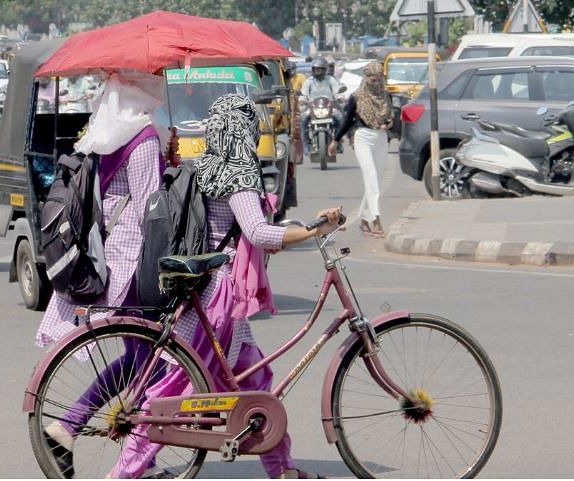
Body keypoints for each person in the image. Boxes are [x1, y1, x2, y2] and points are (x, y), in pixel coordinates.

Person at [109, 93, 342, 479]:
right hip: (219, 300)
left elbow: (248, 227)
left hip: (214, 296)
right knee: (174, 393)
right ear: (244, 130)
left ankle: (283, 470)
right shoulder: (239, 173)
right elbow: (258, 231)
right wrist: (314, 232)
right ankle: (123, 474)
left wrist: (305, 227)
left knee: (258, 385)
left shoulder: (209, 166)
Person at [37, 71, 171, 478]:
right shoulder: (144, 136)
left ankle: (76, 428)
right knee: (154, 366)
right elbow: (152, 207)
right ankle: (106, 443)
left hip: (106, 255)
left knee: (139, 361)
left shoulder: (104, 132)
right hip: (133, 260)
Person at [328, 62, 393, 237]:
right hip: (362, 137)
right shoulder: (356, 97)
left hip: (380, 137)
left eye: (379, 79)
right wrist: (335, 140)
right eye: (373, 79)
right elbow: (347, 120)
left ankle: (363, 219)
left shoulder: (386, 96)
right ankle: (376, 220)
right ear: (366, 78)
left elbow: (391, 117)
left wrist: (389, 123)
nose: (376, 82)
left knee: (376, 181)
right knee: (371, 177)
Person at [300, 56, 344, 155]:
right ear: (313, 70)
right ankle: (307, 144)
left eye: (321, 69)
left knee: (340, 118)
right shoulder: (309, 81)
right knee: (303, 119)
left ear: (325, 70)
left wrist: (340, 97)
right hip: (313, 108)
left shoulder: (331, 80)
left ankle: (339, 141)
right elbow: (304, 94)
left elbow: (337, 91)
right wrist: (302, 100)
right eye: (316, 69)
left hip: (329, 107)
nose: (318, 71)